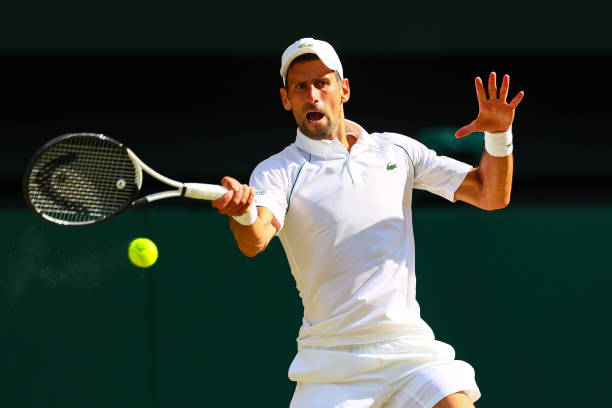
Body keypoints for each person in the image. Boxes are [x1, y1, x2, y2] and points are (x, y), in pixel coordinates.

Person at [211, 38, 524, 408]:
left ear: (343, 90)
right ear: (286, 98)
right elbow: (255, 239)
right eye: (300, 86)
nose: (312, 94)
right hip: (332, 365)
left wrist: (499, 135)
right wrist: (243, 212)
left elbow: (491, 194)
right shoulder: (277, 172)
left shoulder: (396, 150)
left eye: (322, 83)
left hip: (409, 351)